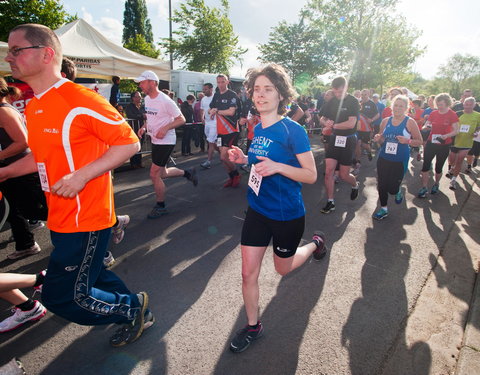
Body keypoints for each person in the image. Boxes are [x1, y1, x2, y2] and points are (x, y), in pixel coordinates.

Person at [3, 23, 153, 347]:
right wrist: (5, 173)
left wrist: (81, 175)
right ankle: (141, 310)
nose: (9, 57)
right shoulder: (35, 104)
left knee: (62, 297)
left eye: (17, 50)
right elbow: (41, 158)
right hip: (61, 216)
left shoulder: (78, 99)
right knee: (95, 274)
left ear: (46, 54)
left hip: (86, 218)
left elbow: (129, 144)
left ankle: (131, 309)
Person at [227, 64, 327, 353]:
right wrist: (244, 158)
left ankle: (315, 245)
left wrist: (279, 167)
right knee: (248, 273)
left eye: (268, 88)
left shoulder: (292, 130)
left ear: (280, 93)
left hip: (286, 215)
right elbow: (260, 163)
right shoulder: (257, 127)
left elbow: (310, 175)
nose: (261, 94)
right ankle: (253, 326)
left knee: (282, 269)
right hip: (258, 210)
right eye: (256, 89)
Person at [135, 70, 198, 218]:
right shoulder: (148, 99)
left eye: (142, 82)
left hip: (166, 141)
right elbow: (149, 117)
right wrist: (144, 126)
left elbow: (181, 119)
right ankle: (188, 173)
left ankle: (161, 206)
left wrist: (165, 128)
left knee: (154, 174)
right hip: (155, 139)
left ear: (152, 82)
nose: (140, 86)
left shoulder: (165, 101)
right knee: (162, 173)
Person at [0, 78, 46, 260]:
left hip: (22, 168)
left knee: (41, 210)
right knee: (14, 209)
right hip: (12, 167)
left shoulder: (4, 112)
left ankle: (106, 224)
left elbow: (22, 142)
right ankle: (26, 243)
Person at [372, 95, 422, 220]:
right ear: (392, 106)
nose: (398, 108)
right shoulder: (385, 121)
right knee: (382, 184)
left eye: (401, 106)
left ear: (406, 108)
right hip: (384, 157)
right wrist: (378, 138)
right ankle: (384, 209)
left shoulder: (410, 122)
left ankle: (397, 191)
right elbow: (382, 139)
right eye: (396, 105)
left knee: (392, 189)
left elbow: (419, 141)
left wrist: (407, 141)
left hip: (400, 159)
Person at [320, 76, 360, 214]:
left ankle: (355, 184)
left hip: (348, 139)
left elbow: (351, 123)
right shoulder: (332, 101)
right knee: (329, 172)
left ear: (346, 88)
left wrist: (334, 125)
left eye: (340, 92)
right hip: (334, 139)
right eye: (335, 92)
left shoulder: (353, 101)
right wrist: (326, 123)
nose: (337, 95)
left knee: (343, 175)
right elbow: (322, 117)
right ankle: (330, 201)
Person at [418, 93, 459, 198]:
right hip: (431, 142)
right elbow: (426, 125)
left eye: (441, 104)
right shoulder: (433, 113)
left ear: (447, 103)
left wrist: (446, 135)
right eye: (438, 104)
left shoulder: (452, 114)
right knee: (425, 165)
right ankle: (424, 187)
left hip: (444, 144)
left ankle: (436, 184)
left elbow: (456, 130)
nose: (439, 106)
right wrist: (426, 127)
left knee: (438, 167)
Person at [209, 74, 241, 187]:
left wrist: (216, 110)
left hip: (231, 130)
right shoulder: (216, 95)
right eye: (218, 82)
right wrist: (212, 111)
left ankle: (236, 174)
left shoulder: (232, 95)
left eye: (223, 82)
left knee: (224, 156)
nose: (220, 84)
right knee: (223, 159)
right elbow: (210, 109)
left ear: (227, 82)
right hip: (220, 131)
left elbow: (231, 112)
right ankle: (231, 177)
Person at [446, 97, 480, 189]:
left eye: (470, 104)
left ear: (474, 105)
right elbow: (449, 125)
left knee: (459, 161)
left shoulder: (478, 115)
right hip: (454, 141)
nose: (468, 106)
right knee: (452, 160)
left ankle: (453, 180)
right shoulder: (458, 114)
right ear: (463, 104)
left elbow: (478, 127)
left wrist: (476, 132)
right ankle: (452, 168)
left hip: (467, 143)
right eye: (466, 104)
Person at [354, 88, 379, 170]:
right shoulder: (358, 102)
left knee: (365, 145)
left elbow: (378, 114)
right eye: (362, 94)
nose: (363, 96)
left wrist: (371, 120)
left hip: (367, 128)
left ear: (369, 95)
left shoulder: (371, 103)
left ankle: (369, 151)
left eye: (365, 94)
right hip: (357, 128)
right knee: (358, 143)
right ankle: (358, 161)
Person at [200, 83, 219, 169]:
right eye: (203, 89)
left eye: (206, 89)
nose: (204, 91)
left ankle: (208, 161)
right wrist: (202, 118)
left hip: (215, 123)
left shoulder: (216, 97)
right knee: (211, 141)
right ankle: (222, 153)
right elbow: (202, 109)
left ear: (211, 89)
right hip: (207, 123)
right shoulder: (203, 99)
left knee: (211, 142)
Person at [125, 91, 145, 169]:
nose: (140, 98)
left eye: (140, 96)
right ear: (133, 98)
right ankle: (133, 163)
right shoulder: (129, 106)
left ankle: (139, 162)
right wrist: (141, 115)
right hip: (134, 128)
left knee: (140, 146)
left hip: (142, 128)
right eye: (138, 96)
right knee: (134, 146)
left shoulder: (142, 106)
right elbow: (130, 115)